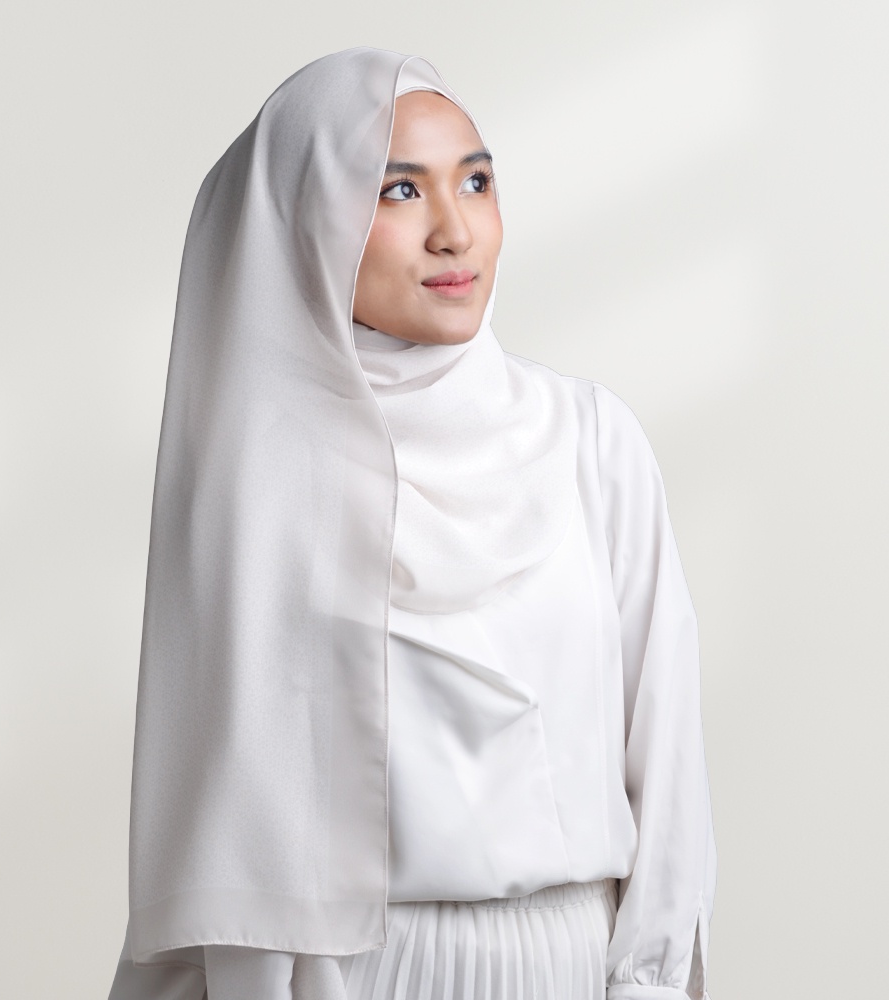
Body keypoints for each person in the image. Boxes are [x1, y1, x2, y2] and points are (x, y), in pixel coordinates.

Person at [107, 47, 716, 1000]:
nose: (454, 231)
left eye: (476, 181)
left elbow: (667, 752)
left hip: (574, 962)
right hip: (346, 973)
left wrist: (650, 981)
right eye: (398, 190)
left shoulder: (591, 443)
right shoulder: (259, 484)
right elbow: (233, 815)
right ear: (304, 219)